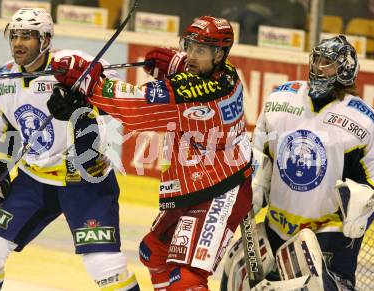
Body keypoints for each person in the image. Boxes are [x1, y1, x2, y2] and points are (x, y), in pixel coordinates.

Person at [47, 15, 254, 291]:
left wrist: (88, 81)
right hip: (198, 184)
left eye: (200, 50)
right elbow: (189, 73)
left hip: (221, 190)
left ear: (219, 54)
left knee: (187, 280)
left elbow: (135, 108)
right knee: (152, 251)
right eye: (188, 46)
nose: (191, 55)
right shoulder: (225, 72)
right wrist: (173, 63)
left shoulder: (196, 94)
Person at [0, 8, 139, 291]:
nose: (19, 43)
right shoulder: (5, 78)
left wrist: (83, 105)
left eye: (28, 36)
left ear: (45, 40)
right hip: (35, 179)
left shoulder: (72, 66)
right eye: (15, 35)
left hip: (84, 179)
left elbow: (119, 103)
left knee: (104, 266)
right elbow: (7, 131)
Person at [222, 35, 374, 290]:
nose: (319, 68)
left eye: (328, 63)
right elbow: (258, 151)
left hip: (328, 238)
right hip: (276, 227)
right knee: (236, 277)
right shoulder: (281, 100)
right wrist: (252, 185)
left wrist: (365, 204)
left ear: (345, 70)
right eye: (317, 60)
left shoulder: (362, 120)